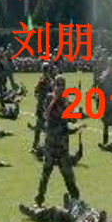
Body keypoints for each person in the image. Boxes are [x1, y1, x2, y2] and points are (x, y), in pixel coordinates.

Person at [34, 76, 81, 207]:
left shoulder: (66, 101)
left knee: (68, 176)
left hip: (62, 146)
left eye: (62, 86)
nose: (60, 88)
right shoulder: (50, 98)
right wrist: (55, 100)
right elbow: (46, 115)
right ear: (54, 86)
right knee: (45, 174)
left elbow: (73, 119)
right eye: (58, 85)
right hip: (50, 145)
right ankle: (39, 200)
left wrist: (75, 113)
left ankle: (76, 200)